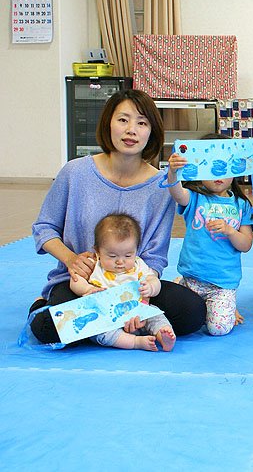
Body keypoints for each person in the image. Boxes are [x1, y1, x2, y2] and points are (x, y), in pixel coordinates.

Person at [29, 89, 206, 345]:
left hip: (133, 284)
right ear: (108, 123)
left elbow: (155, 258)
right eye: (123, 120)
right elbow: (44, 228)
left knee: (193, 313)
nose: (131, 130)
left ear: (152, 132)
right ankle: (44, 306)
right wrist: (71, 259)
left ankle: (109, 328)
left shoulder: (162, 185)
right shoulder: (75, 172)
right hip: (83, 285)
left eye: (142, 123)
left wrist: (138, 299)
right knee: (49, 329)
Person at [166, 133, 253, 336]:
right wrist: (173, 173)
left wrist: (231, 231)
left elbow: (246, 244)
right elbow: (176, 193)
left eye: (225, 166)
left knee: (218, 329)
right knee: (173, 316)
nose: (218, 174)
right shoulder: (196, 198)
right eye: (210, 167)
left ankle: (225, 302)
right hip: (192, 278)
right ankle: (181, 284)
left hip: (222, 284)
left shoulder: (242, 205)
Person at [70, 213, 176, 352]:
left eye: (128, 255)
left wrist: (151, 287)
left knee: (155, 314)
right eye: (112, 256)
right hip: (107, 317)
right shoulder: (94, 264)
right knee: (97, 330)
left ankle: (163, 334)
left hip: (138, 313)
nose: (120, 261)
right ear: (97, 251)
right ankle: (136, 342)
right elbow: (75, 280)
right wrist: (87, 289)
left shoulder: (138, 265)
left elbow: (153, 280)